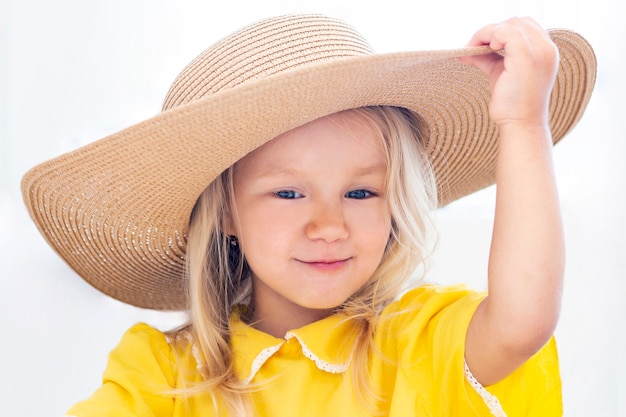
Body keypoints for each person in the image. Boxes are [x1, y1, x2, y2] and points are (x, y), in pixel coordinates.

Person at [21, 14, 596, 417]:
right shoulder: (164, 373)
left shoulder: (422, 342)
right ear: (224, 212)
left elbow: (523, 322)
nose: (329, 226)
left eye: (362, 193)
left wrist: (522, 124)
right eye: (289, 194)